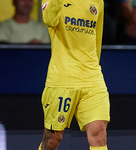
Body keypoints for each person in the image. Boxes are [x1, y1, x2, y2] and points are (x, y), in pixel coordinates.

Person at [38, 0, 110, 150]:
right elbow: (49, 19)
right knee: (52, 140)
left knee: (99, 135)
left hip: (92, 78)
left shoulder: (98, 2)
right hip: (62, 79)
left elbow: (97, 39)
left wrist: (93, 67)